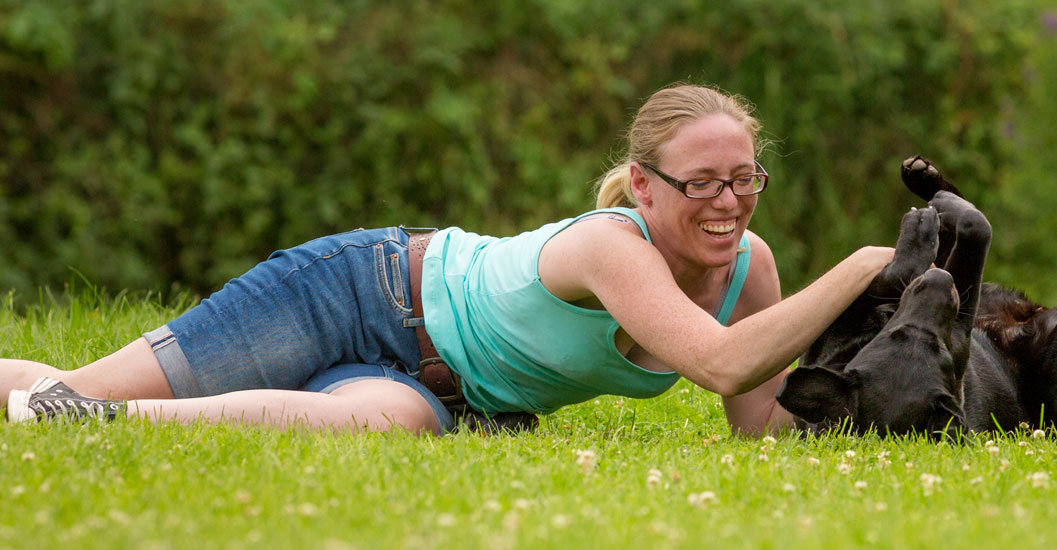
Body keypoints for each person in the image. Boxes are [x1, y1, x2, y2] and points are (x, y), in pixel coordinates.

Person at [1, 84, 893, 437]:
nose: (730, 202)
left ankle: (93, 421)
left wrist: (893, 421)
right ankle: (76, 404)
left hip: (446, 393)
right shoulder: (607, 244)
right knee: (79, 375)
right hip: (361, 291)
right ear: (645, 186)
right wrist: (861, 265)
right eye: (703, 183)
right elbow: (719, 362)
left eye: (746, 179)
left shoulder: (752, 269)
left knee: (391, 428)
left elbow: (757, 427)